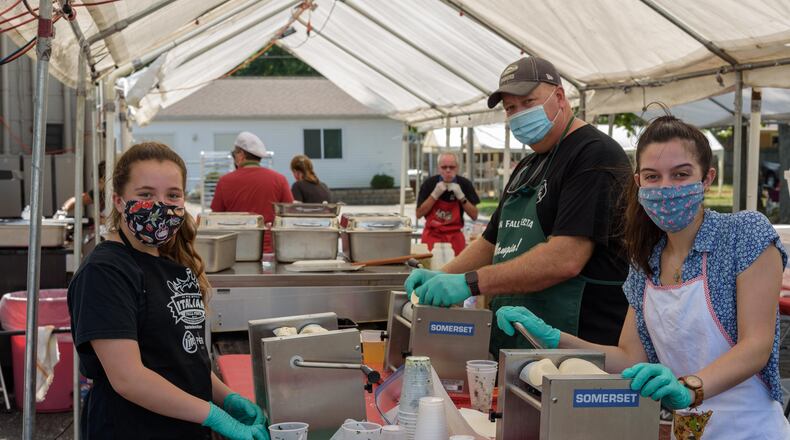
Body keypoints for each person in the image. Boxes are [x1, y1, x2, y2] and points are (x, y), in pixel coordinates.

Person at [496, 116, 790, 438]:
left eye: (680, 174)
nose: (666, 187)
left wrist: (689, 388)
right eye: (653, 176)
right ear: (638, 183)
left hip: (752, 430)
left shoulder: (743, 235)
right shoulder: (645, 263)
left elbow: (756, 346)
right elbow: (628, 358)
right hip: (688, 431)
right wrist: (554, 338)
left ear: (707, 178)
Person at [405, 57, 631, 357]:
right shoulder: (527, 165)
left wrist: (470, 283)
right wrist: (443, 275)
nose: (519, 114)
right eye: (511, 108)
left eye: (528, 102)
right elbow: (491, 241)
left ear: (559, 97)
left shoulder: (593, 154)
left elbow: (566, 258)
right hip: (516, 341)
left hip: (575, 346)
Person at [68, 142, 268, 440]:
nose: (160, 205)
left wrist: (226, 398)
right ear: (119, 201)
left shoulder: (172, 262)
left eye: (172, 195)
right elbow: (128, 378)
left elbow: (183, 357)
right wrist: (214, 416)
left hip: (186, 428)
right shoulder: (105, 272)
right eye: (146, 194)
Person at [211, 132, 293, 253]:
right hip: (270, 249)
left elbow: (215, 218)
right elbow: (289, 214)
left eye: (234, 154)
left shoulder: (225, 181)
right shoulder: (279, 180)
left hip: (235, 249)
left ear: (241, 155)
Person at [416, 152, 480, 256]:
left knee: (456, 265)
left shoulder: (465, 184)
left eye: (452, 167)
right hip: (433, 236)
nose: (448, 170)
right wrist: (434, 195)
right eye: (444, 167)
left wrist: (462, 197)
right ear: (438, 168)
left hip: (454, 237)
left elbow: (474, 215)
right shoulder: (429, 184)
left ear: (457, 168)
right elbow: (418, 214)